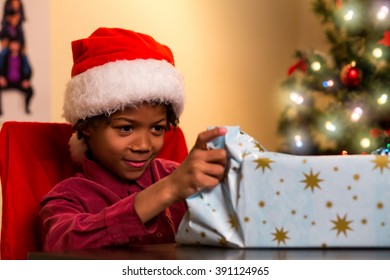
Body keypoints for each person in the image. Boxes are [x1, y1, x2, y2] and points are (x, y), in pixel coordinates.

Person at [39, 27, 227, 251]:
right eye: (126, 128)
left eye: (157, 129)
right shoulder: (68, 197)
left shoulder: (179, 176)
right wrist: (167, 191)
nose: (144, 145)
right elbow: (61, 243)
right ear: (88, 125)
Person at [0, 38, 33, 115]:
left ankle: (26, 108)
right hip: (7, 81)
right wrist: (1, 77)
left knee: (30, 91)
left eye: (16, 44)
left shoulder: (23, 57)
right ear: (10, 45)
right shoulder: (4, 56)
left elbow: (29, 70)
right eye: (13, 44)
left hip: (19, 82)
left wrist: (26, 80)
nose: (15, 46)